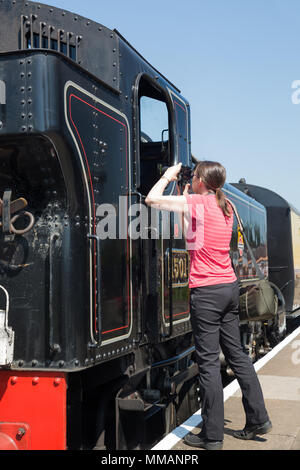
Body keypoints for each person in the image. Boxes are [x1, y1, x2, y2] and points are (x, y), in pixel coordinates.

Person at [145, 161, 272, 451]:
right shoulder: (228, 206)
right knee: (237, 356)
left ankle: (212, 435)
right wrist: (187, 191)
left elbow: (152, 199)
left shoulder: (196, 204)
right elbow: (193, 232)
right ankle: (258, 419)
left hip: (207, 292)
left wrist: (167, 175)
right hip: (228, 287)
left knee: (208, 363)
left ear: (202, 180)